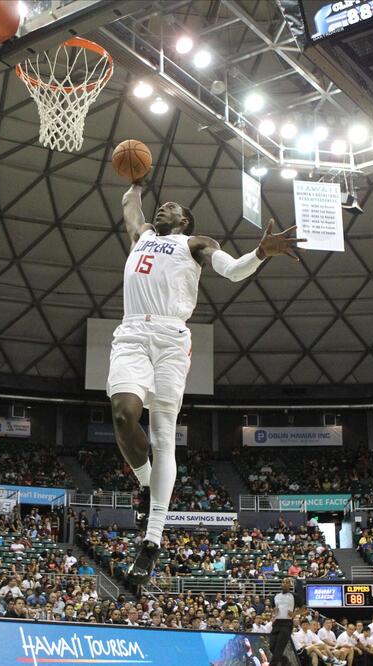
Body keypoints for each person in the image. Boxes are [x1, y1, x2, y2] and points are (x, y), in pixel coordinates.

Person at [109, 180, 301, 583]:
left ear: (185, 221)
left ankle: (153, 540)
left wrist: (261, 253)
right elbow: (130, 206)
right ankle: (147, 484)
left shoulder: (195, 243)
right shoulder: (141, 235)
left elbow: (231, 271)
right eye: (161, 206)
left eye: (173, 206)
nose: (165, 207)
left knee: (163, 437)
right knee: (125, 415)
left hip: (171, 338)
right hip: (130, 333)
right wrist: (136, 183)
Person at [269, 577, 298, 666]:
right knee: (272, 647)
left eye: (287, 582)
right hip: (277, 623)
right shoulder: (276, 596)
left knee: (278, 649)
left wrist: (294, 614)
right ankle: (285, 661)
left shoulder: (294, 596)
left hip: (287, 624)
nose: (284, 584)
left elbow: (305, 609)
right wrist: (274, 611)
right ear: (281, 584)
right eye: (283, 582)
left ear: (290, 585)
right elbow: (273, 609)